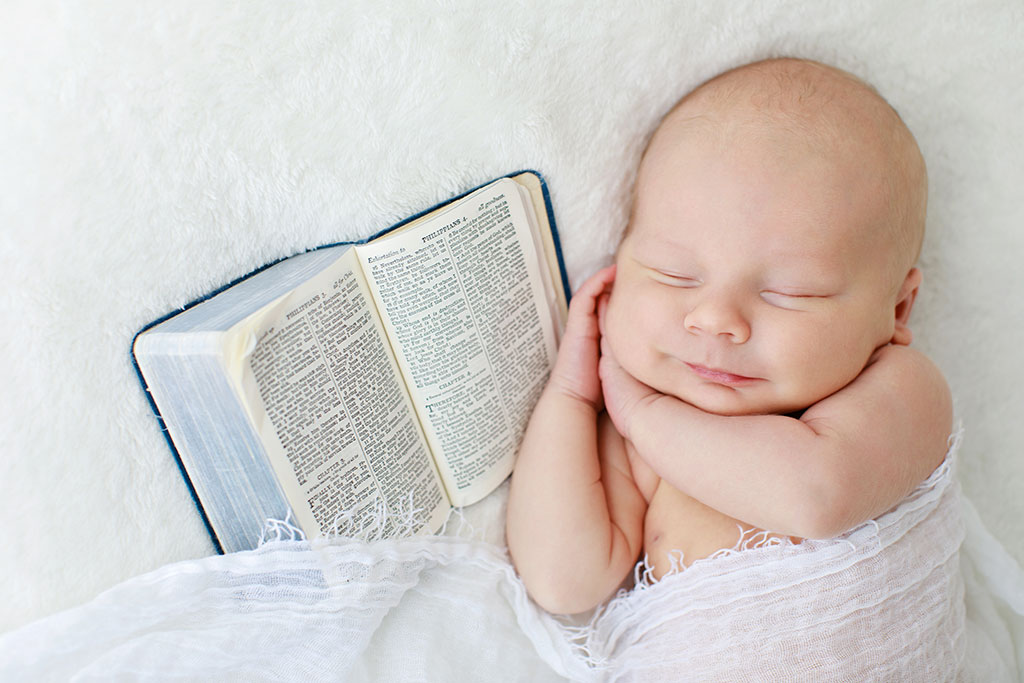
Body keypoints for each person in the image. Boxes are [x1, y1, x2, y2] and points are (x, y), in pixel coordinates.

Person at [506, 57, 953, 615]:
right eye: (675, 274)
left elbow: (816, 497)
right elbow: (562, 579)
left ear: (898, 308)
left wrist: (643, 416)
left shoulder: (901, 392)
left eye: (791, 292)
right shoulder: (637, 443)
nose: (716, 319)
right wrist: (571, 396)